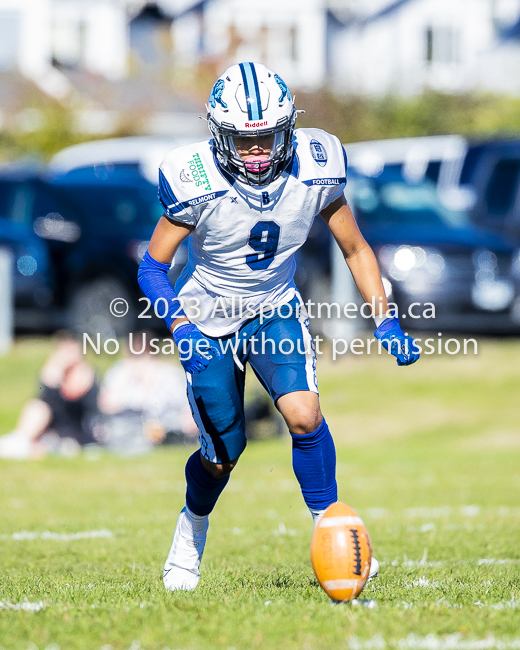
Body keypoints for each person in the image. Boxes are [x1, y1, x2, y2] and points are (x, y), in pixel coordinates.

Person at [137, 62, 420, 592]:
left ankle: (330, 529)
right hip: (207, 314)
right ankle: (190, 532)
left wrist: (386, 320)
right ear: (219, 137)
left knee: (305, 415)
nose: (258, 151)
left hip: (273, 306)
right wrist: (180, 328)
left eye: (268, 136)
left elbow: (355, 248)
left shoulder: (315, 165)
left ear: (289, 127)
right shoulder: (196, 180)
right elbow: (152, 266)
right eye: (244, 141)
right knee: (223, 454)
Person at [0, 335, 99, 459]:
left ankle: (26, 445)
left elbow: (83, 404)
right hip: (51, 425)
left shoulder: (87, 374)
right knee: (37, 406)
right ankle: (21, 439)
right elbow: (43, 396)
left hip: (76, 429)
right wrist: (52, 375)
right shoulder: (55, 373)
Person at [98, 332, 197, 454]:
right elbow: (107, 405)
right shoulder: (119, 372)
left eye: (143, 353)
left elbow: (187, 407)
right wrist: (129, 379)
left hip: (168, 429)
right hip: (127, 428)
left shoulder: (170, 374)